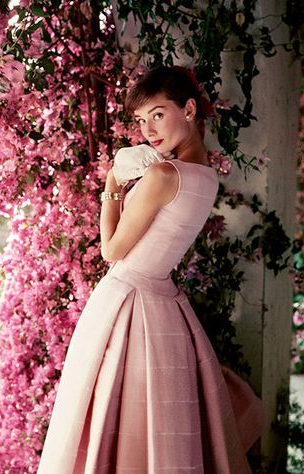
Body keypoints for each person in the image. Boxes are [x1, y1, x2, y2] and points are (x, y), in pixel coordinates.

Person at [37, 65, 265, 474]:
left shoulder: (162, 174)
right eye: (142, 120)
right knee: (157, 423)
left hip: (127, 300)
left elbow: (111, 251)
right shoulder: (208, 176)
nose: (148, 129)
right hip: (165, 304)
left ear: (189, 109)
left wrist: (111, 181)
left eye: (158, 114)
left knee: (113, 419)